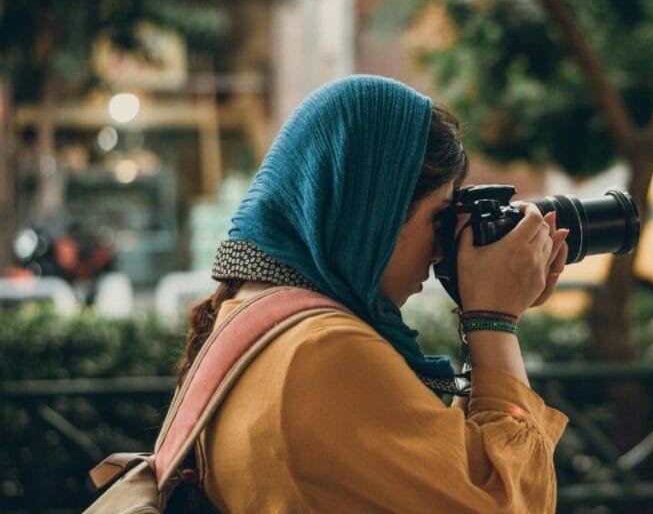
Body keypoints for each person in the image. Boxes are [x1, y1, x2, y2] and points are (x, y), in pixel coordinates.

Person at [178, 75, 570, 512]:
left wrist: (480, 314)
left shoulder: (256, 322)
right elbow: (508, 501)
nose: (444, 247)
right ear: (373, 216)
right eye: (439, 218)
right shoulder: (324, 352)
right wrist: (495, 321)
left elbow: (454, 467)